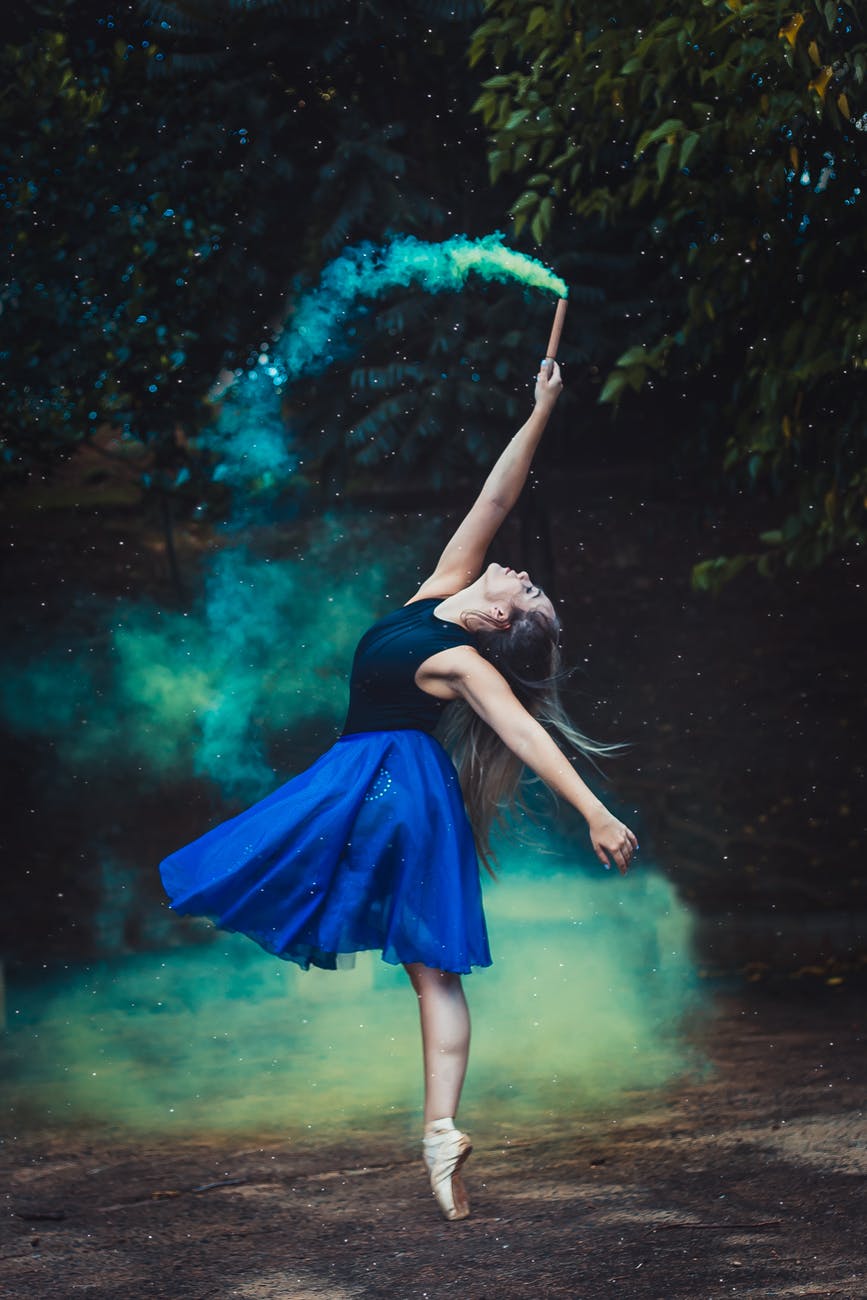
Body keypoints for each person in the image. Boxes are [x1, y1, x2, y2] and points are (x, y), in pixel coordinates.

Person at [159, 357, 638, 1223]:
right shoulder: (436, 602)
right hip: (382, 788)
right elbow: (493, 501)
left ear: (498, 623)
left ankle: (441, 1127)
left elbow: (524, 734)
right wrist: (540, 409)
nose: (518, 575)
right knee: (430, 973)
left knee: (387, 942)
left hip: (384, 790)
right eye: (525, 580)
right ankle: (439, 1133)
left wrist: (595, 810)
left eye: (524, 592)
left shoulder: (453, 655)